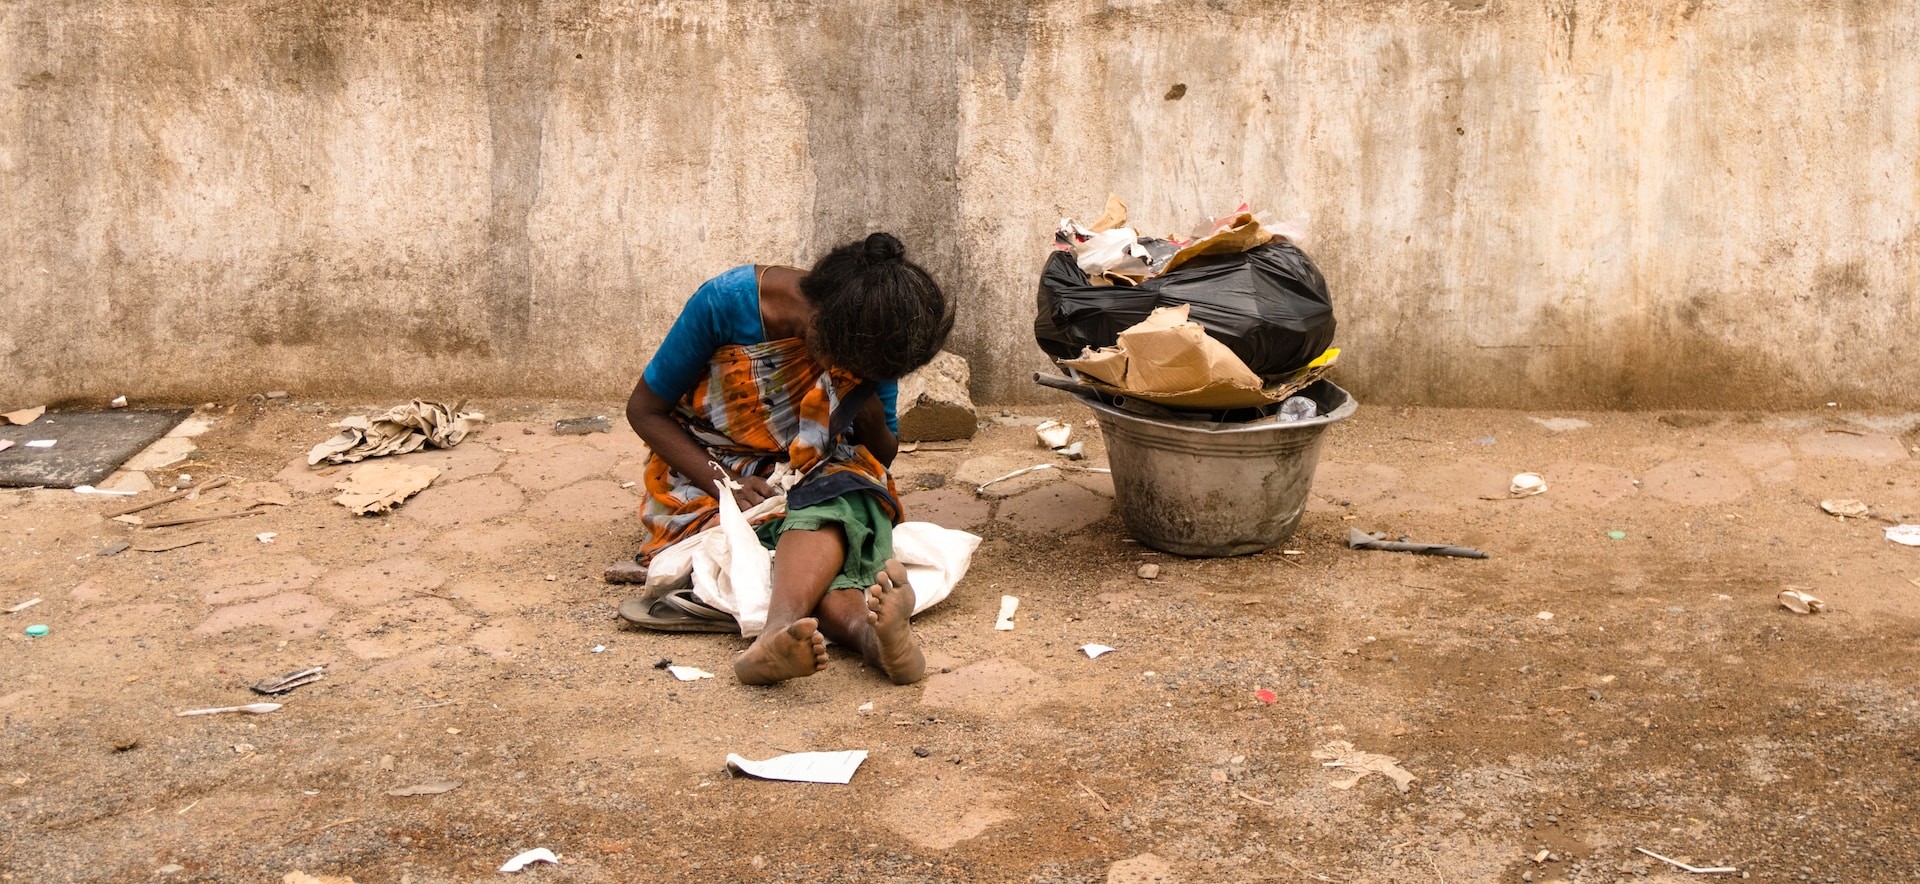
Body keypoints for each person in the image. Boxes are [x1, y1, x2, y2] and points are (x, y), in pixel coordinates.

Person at [620, 232, 953, 686]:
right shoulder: (726, 302)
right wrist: (728, 482)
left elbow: (883, 451)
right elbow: (645, 411)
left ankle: (852, 635)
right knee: (834, 528)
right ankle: (830, 632)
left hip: (818, 467)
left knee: (841, 495)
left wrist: (869, 409)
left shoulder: (876, 335)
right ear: (822, 329)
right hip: (710, 466)